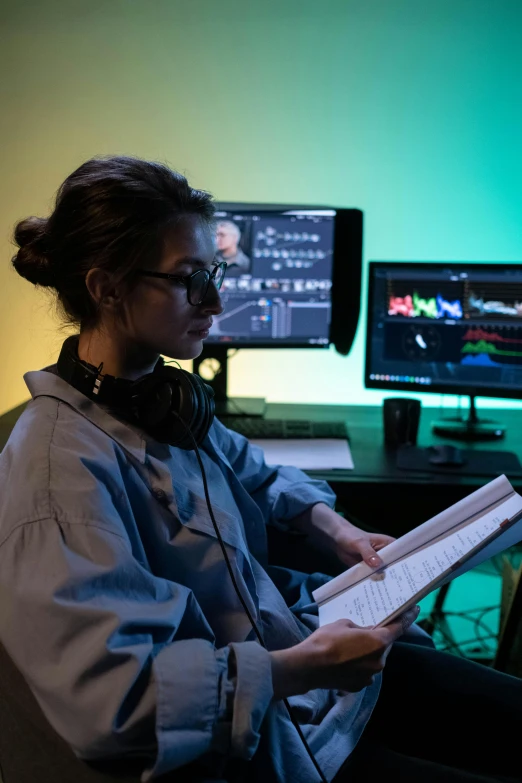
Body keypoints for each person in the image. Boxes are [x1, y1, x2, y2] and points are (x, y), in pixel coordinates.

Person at [0, 156, 521, 783]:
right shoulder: (59, 477)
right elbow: (115, 705)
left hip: (306, 677)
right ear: (106, 288)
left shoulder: (159, 402)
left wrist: (338, 531)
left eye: (214, 272)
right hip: (264, 729)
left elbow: (259, 471)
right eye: (191, 279)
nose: (216, 301)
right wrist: (304, 667)